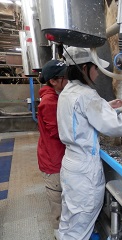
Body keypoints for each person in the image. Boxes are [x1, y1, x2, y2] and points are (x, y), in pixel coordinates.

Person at [57, 47, 122, 240]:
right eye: (96, 68)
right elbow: (116, 127)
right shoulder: (87, 95)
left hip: (70, 164)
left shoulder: (67, 92)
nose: (98, 72)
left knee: (70, 218)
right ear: (84, 68)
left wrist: (107, 106)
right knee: (81, 224)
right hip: (85, 169)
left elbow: (80, 115)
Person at [37, 59, 68, 240]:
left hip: (54, 154)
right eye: (65, 77)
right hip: (53, 160)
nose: (69, 80)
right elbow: (58, 132)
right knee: (57, 199)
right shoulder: (50, 101)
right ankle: (59, 232)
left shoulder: (54, 96)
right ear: (53, 81)